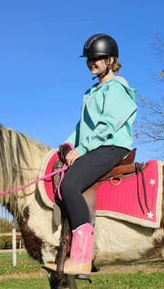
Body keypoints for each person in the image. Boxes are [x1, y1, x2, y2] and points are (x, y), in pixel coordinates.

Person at [47, 33, 137, 275]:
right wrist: (67, 144)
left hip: (111, 146)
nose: (91, 63)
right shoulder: (91, 92)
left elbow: (107, 126)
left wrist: (82, 150)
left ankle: (82, 256)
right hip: (95, 146)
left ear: (111, 60)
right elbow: (82, 128)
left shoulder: (117, 88)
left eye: (96, 58)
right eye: (89, 59)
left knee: (70, 185)